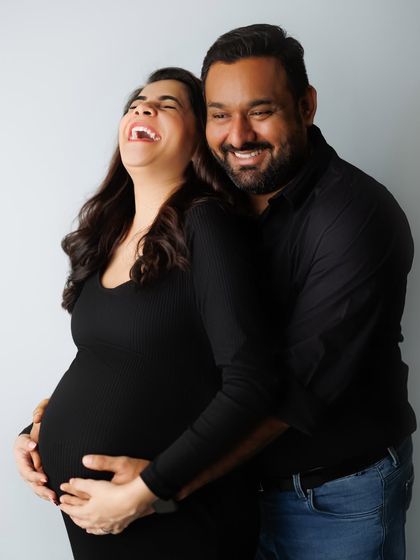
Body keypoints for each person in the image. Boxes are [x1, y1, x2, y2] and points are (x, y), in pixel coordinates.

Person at [16, 24, 416, 559]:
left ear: (306, 106)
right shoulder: (214, 193)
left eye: (261, 111)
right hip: (229, 490)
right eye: (220, 115)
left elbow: (288, 392)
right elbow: (160, 347)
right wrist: (47, 422)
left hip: (330, 493)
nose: (239, 136)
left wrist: (157, 487)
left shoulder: (354, 217)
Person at [14, 65, 307, 559]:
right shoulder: (109, 232)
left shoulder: (206, 225)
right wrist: (35, 436)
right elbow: (110, 364)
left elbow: (251, 383)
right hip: (99, 523)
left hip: (171, 520)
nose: (143, 108)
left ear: (199, 140)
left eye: (167, 105)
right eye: (136, 103)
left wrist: (149, 488)